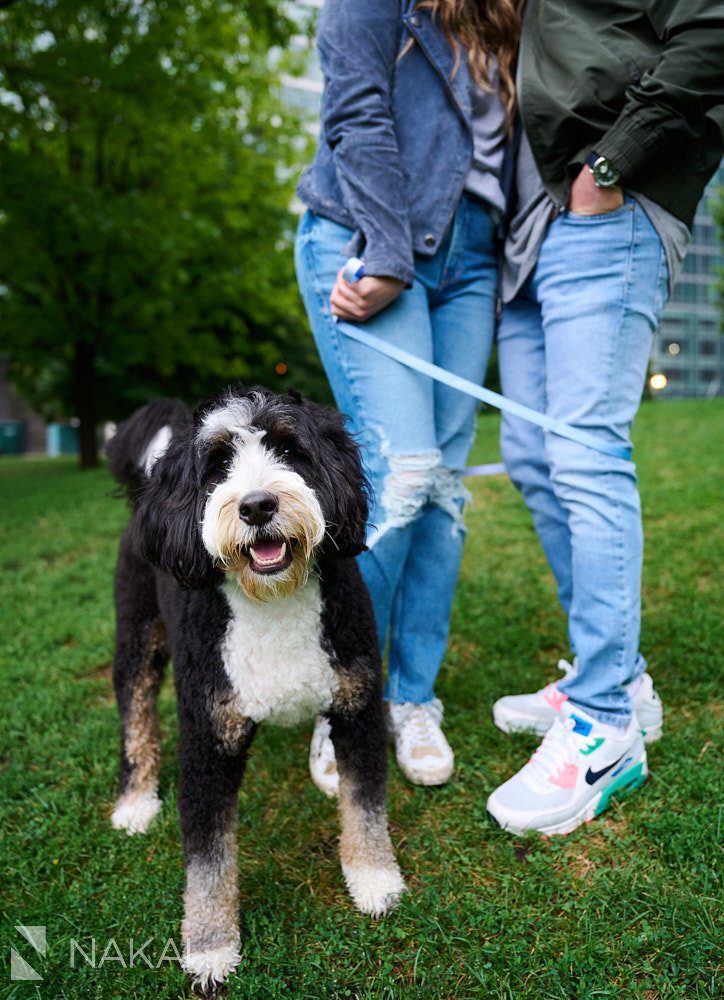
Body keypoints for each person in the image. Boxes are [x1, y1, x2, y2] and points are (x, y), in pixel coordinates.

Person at [486, 0, 723, 835]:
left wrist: (611, 165)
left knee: (585, 453)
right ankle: (615, 672)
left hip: (607, 205)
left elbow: (712, 28)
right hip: (537, 227)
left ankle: (603, 724)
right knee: (532, 453)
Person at [295, 0, 520, 794]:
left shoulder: (509, 14)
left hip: (473, 257)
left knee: (445, 492)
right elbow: (355, 106)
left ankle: (411, 697)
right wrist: (388, 251)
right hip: (371, 237)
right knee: (404, 471)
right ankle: (340, 697)